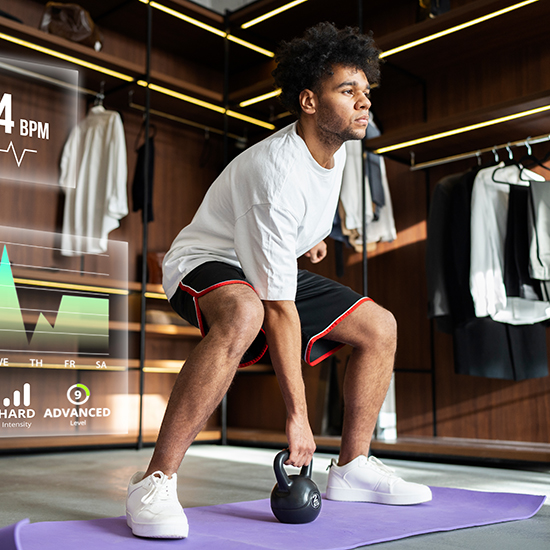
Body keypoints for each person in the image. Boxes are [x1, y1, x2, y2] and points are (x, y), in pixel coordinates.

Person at [125, 22, 432, 540]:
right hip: (203, 262)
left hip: (261, 263)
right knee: (246, 312)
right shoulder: (275, 173)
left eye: (366, 91)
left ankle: (353, 467)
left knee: (380, 326)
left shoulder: (338, 148)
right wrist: (299, 419)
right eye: (347, 91)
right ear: (309, 101)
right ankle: (154, 479)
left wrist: (305, 238)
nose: (364, 103)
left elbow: (308, 204)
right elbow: (278, 310)